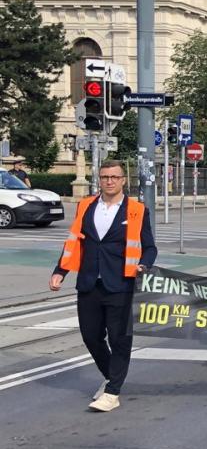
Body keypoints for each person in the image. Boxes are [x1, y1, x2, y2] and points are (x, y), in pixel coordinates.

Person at [49, 160, 157, 412]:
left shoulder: (137, 210)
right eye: (105, 176)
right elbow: (74, 241)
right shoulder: (85, 206)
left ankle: (112, 392)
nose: (109, 181)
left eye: (114, 177)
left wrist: (145, 264)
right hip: (89, 282)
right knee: (91, 336)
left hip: (120, 283)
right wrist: (60, 270)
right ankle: (112, 377)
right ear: (100, 179)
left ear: (123, 180)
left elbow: (150, 246)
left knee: (120, 339)